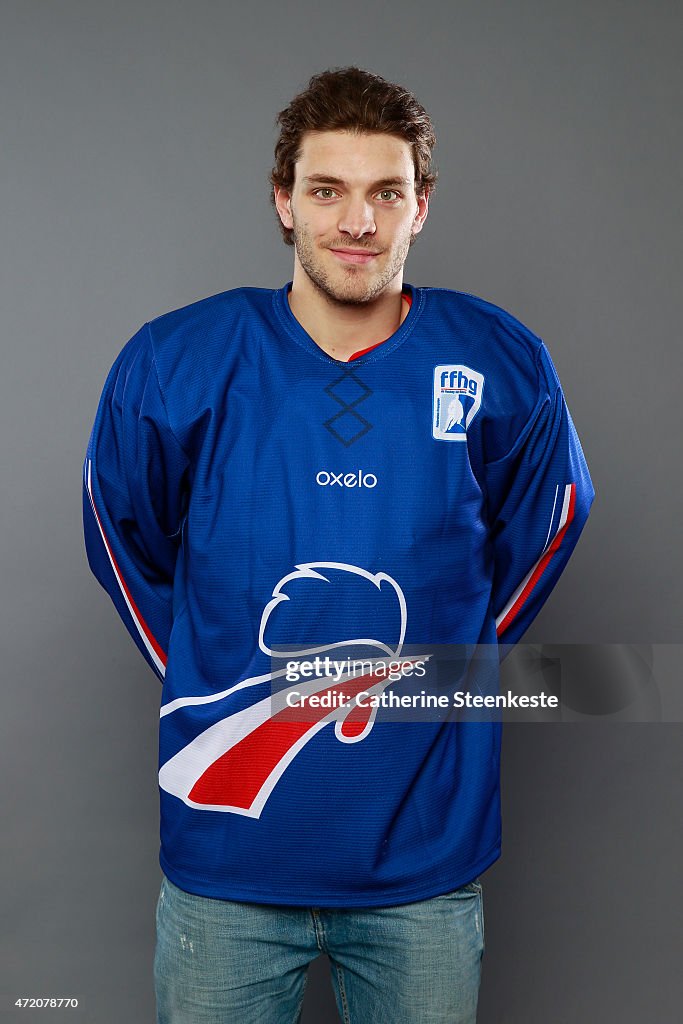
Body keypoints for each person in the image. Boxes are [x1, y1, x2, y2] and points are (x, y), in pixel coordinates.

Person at [83, 66, 594, 1024]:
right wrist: (203, 665)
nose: (357, 222)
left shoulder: (497, 359)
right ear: (284, 201)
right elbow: (120, 534)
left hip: (420, 863)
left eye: (384, 192)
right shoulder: (176, 359)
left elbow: (548, 524)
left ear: (420, 207)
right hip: (228, 869)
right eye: (327, 191)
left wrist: (453, 667)